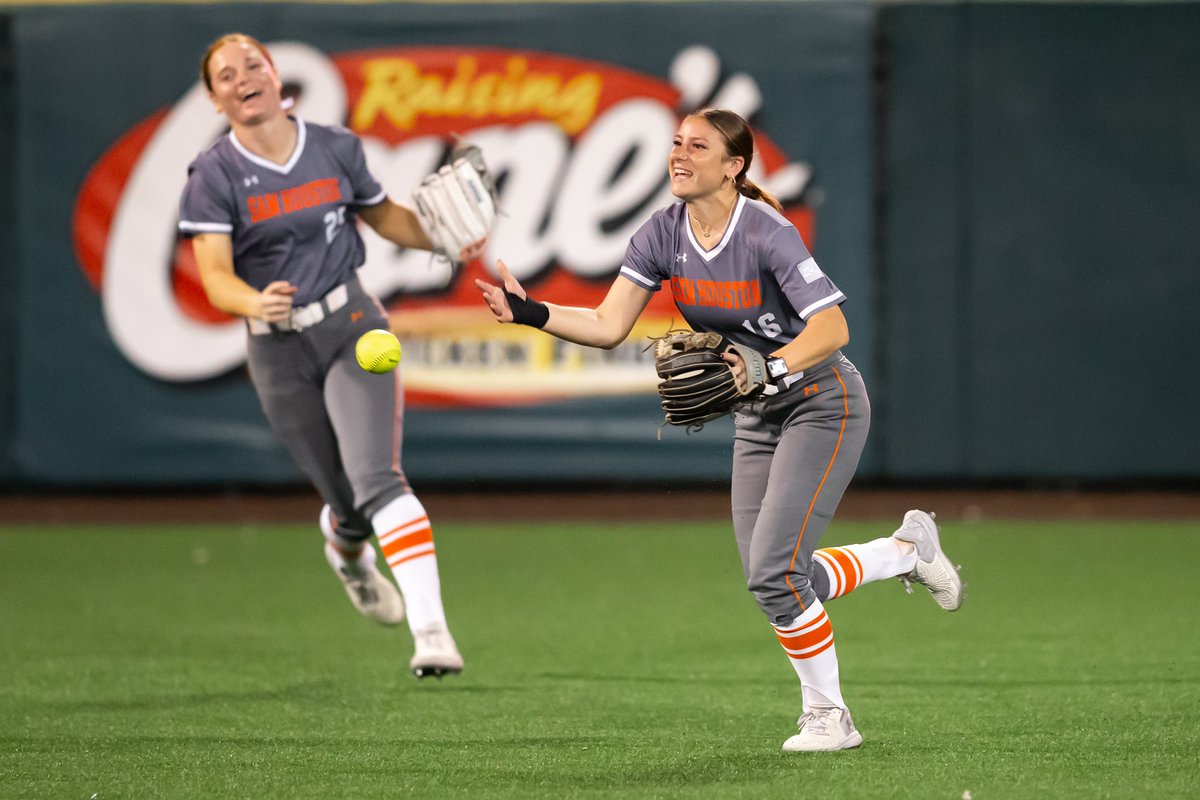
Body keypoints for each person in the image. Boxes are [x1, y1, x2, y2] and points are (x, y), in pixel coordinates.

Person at [475, 108, 963, 749]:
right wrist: (531, 312)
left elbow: (834, 330)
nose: (679, 154)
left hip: (824, 401)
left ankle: (830, 717)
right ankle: (903, 552)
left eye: (697, 146)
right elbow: (606, 324)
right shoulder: (661, 233)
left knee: (774, 574)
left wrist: (774, 366)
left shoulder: (767, 233)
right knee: (776, 579)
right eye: (675, 143)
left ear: (733, 166)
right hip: (757, 412)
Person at [179, 33, 476, 678]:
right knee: (346, 499)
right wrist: (253, 303)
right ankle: (346, 550)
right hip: (278, 350)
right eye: (226, 74)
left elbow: (386, 217)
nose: (243, 78)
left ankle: (432, 633)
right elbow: (215, 277)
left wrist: (448, 231)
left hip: (354, 327)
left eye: (252, 64)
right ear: (213, 96)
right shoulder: (215, 175)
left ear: (274, 72)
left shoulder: (334, 146)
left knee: (377, 479)